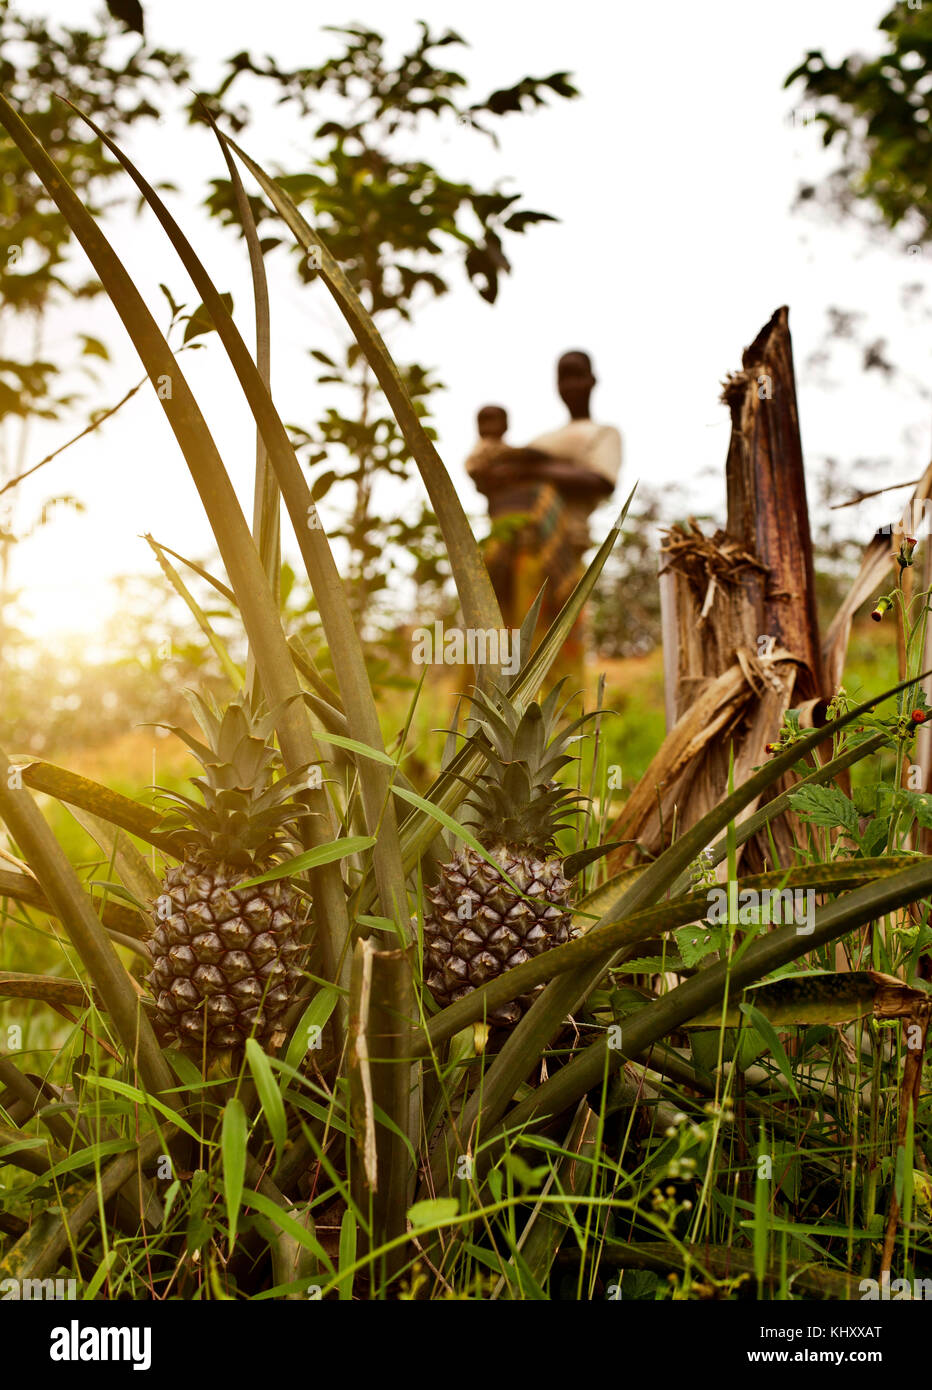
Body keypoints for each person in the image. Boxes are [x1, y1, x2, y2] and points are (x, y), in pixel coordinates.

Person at [465, 352, 620, 689]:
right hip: (508, 550)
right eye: (563, 377)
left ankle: (561, 728)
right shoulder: (541, 440)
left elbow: (600, 480)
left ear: (592, 380)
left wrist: (531, 467)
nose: (570, 385)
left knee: (552, 649)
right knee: (501, 648)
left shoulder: (603, 434)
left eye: (577, 375)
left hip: (557, 550)